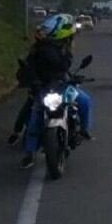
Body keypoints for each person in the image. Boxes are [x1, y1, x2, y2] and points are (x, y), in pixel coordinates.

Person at [18, 14, 93, 169]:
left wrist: (74, 78)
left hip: (63, 86)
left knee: (85, 101)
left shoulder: (64, 50)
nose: (71, 40)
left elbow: (65, 70)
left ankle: (83, 130)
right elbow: (27, 70)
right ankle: (29, 153)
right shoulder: (38, 51)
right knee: (35, 120)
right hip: (44, 89)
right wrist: (32, 81)